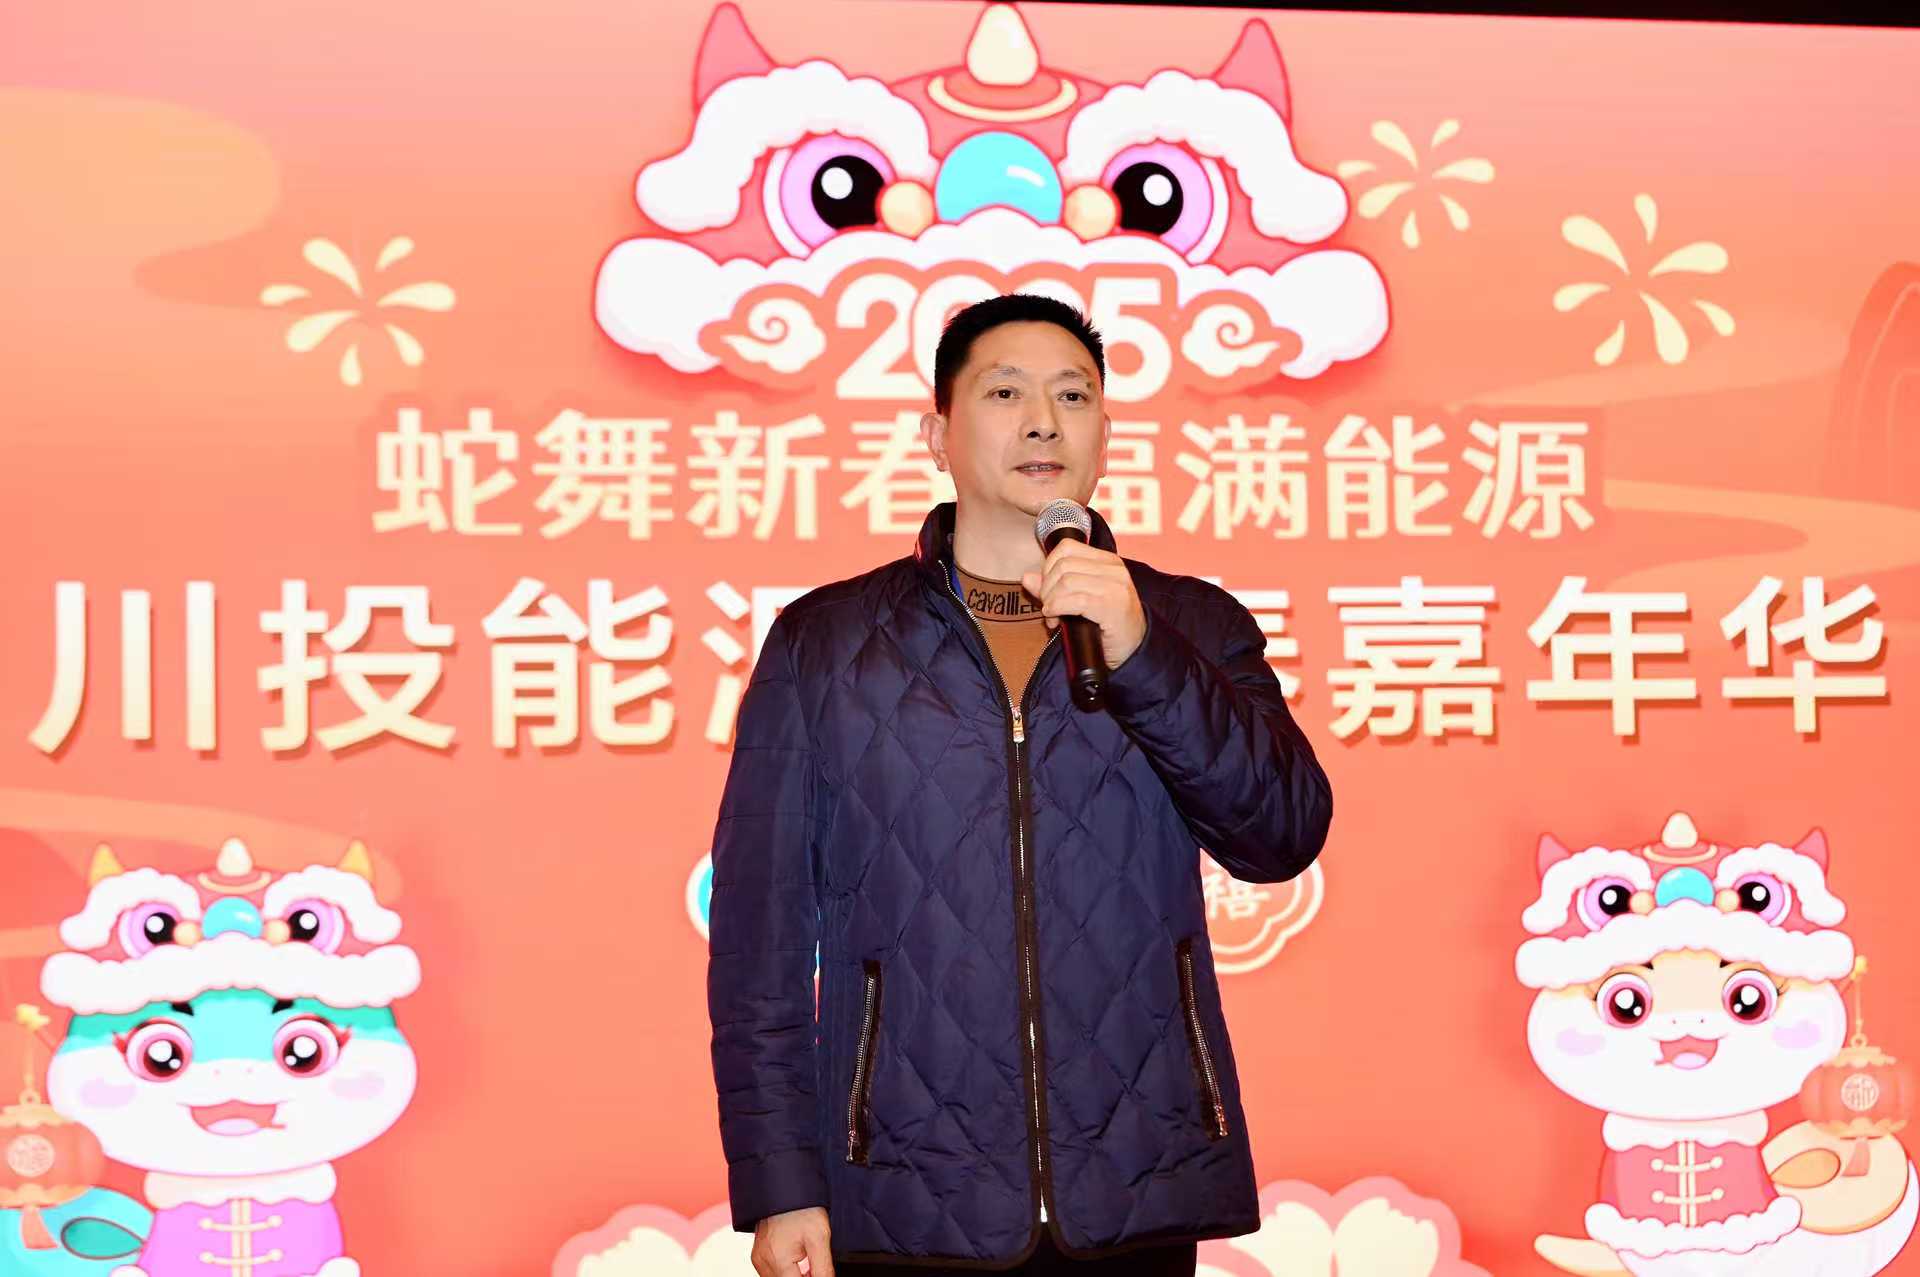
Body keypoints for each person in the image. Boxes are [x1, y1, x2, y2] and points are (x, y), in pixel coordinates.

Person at [707, 293, 1333, 1277]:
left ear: (1104, 435)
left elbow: (1281, 833)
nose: (1044, 420)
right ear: (937, 434)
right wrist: (781, 1181)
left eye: (1073, 396)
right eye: (1005, 393)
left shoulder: (1190, 625)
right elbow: (761, 943)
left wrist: (1144, 655)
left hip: (1135, 1182)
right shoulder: (825, 646)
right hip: (903, 1190)